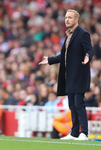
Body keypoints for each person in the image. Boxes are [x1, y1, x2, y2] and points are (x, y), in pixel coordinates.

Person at [39, 9, 94, 140]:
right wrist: (50, 60)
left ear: (76, 19)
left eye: (70, 17)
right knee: (72, 105)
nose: (67, 19)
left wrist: (88, 57)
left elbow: (89, 50)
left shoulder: (83, 34)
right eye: (66, 17)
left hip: (79, 75)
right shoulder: (68, 35)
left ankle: (84, 133)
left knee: (79, 104)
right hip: (69, 76)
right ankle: (74, 132)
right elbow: (64, 56)